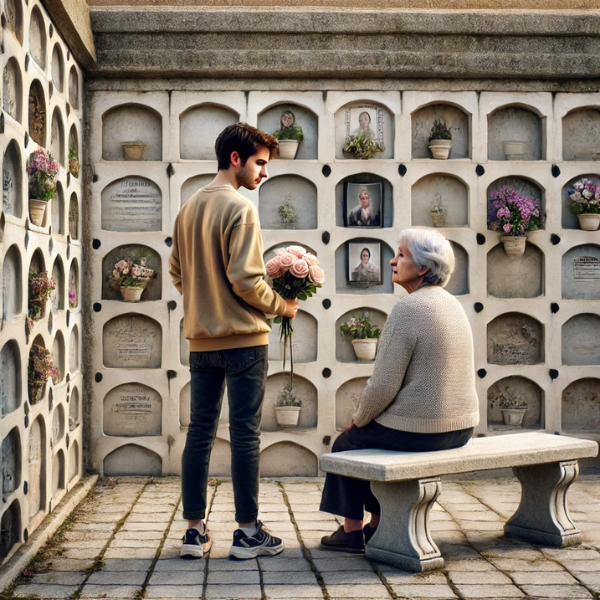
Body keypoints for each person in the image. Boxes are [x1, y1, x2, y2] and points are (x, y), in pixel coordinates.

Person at [169, 123, 299, 561]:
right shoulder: (240, 208)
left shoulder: (188, 208)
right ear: (236, 159)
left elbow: (176, 271)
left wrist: (203, 303)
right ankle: (246, 533)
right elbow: (247, 280)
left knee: (199, 433)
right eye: (260, 163)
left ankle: (193, 531)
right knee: (245, 435)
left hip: (201, 342)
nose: (264, 173)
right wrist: (282, 306)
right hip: (245, 341)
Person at [321, 228, 479, 554]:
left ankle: (352, 533)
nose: (392, 260)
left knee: (346, 444)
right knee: (370, 441)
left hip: (421, 432)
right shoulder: (453, 305)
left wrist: (359, 419)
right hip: (461, 429)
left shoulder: (408, 309)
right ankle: (377, 525)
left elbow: (383, 385)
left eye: (401, 255)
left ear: (422, 267)